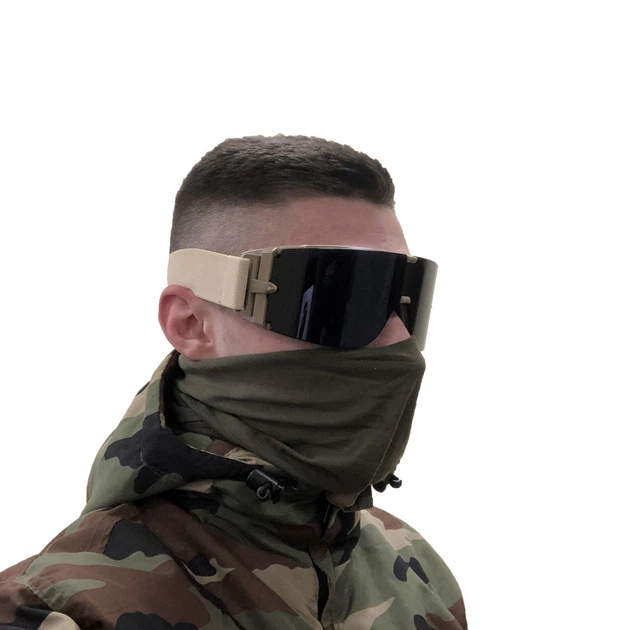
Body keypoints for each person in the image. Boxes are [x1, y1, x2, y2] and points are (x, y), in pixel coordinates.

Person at [0, 135, 468, 629]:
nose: (397, 339)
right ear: (189, 324)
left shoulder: (413, 567)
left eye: (406, 297)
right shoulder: (56, 612)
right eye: (339, 297)